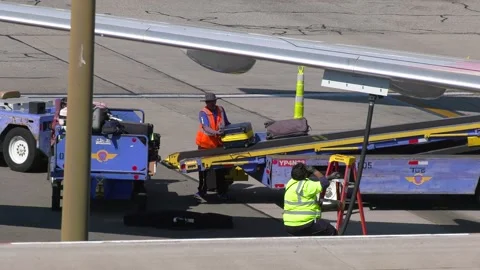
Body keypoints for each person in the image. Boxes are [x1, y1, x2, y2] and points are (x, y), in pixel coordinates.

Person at [283, 162, 344, 236]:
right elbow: (324, 183)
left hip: (289, 225)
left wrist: (329, 177)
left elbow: (314, 180)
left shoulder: (291, 182)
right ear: (305, 175)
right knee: (330, 230)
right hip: (305, 223)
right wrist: (314, 170)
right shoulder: (307, 185)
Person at [195, 92, 231, 200]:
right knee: (203, 170)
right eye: (209, 102)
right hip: (205, 145)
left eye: (213, 101)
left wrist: (225, 129)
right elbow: (205, 127)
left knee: (220, 169)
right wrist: (216, 132)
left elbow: (226, 122)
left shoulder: (221, 109)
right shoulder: (203, 113)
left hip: (218, 144)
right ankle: (202, 190)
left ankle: (222, 191)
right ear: (206, 103)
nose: (212, 104)